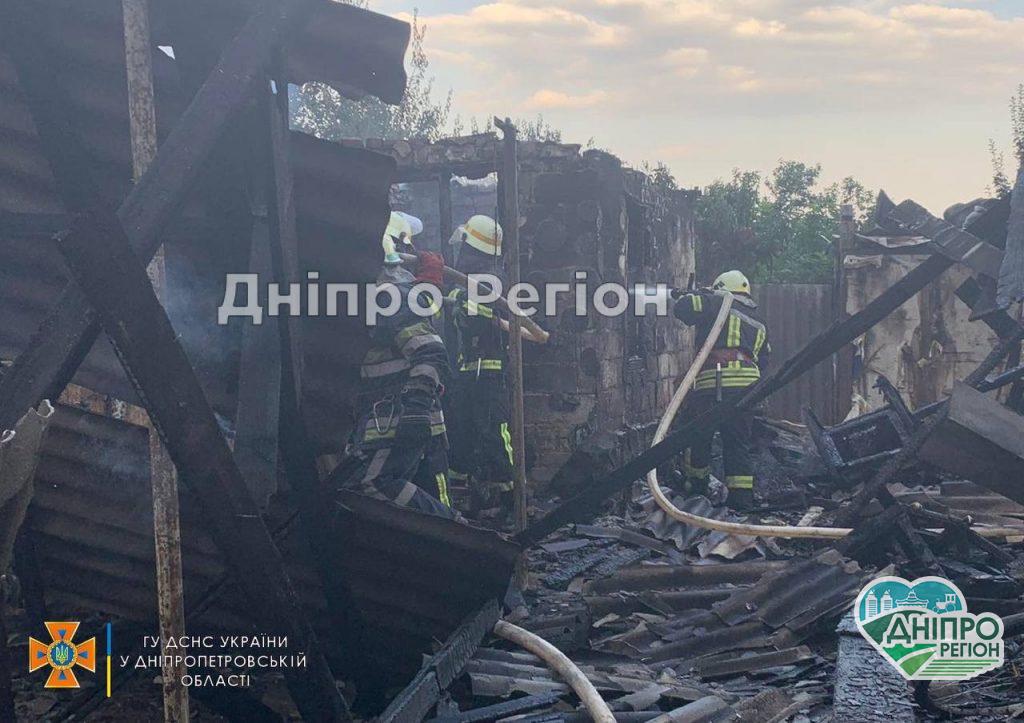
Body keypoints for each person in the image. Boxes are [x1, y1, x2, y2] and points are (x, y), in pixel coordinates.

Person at [334, 236, 453, 517]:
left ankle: (461, 532)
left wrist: (417, 408)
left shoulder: (390, 296)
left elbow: (431, 352)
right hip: (389, 417)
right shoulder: (377, 297)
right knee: (417, 496)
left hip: (401, 416)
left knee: (373, 484)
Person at [671, 270, 771, 510]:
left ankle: (695, 490)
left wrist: (696, 295)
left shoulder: (717, 302)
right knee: (737, 443)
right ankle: (741, 500)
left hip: (714, 385)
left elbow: (684, 308)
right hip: (747, 389)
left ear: (721, 288)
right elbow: (764, 360)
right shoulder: (758, 322)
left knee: (699, 438)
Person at [443, 215, 516, 518]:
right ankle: (461, 496)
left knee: (494, 433)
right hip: (466, 371)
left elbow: (478, 319)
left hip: (488, 373)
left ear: (471, 245)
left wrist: (462, 305)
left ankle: (510, 499)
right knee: (459, 429)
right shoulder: (469, 279)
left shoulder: (489, 280)